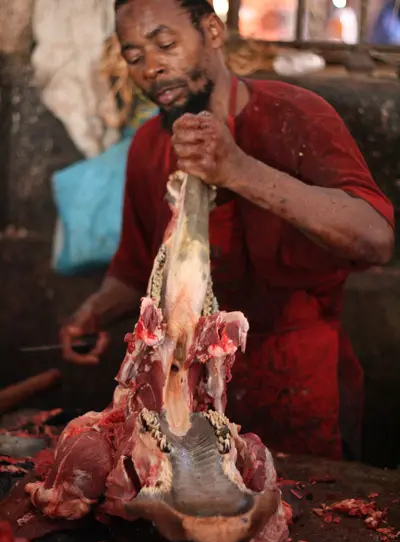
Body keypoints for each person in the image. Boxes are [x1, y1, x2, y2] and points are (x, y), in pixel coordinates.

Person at [60, 0, 394, 462]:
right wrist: (96, 311)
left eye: (166, 44)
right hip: (189, 403)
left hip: (301, 390)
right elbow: (135, 269)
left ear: (213, 32)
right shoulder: (147, 147)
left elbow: (375, 238)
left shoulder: (295, 115)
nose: (152, 67)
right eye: (134, 56)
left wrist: (238, 171)